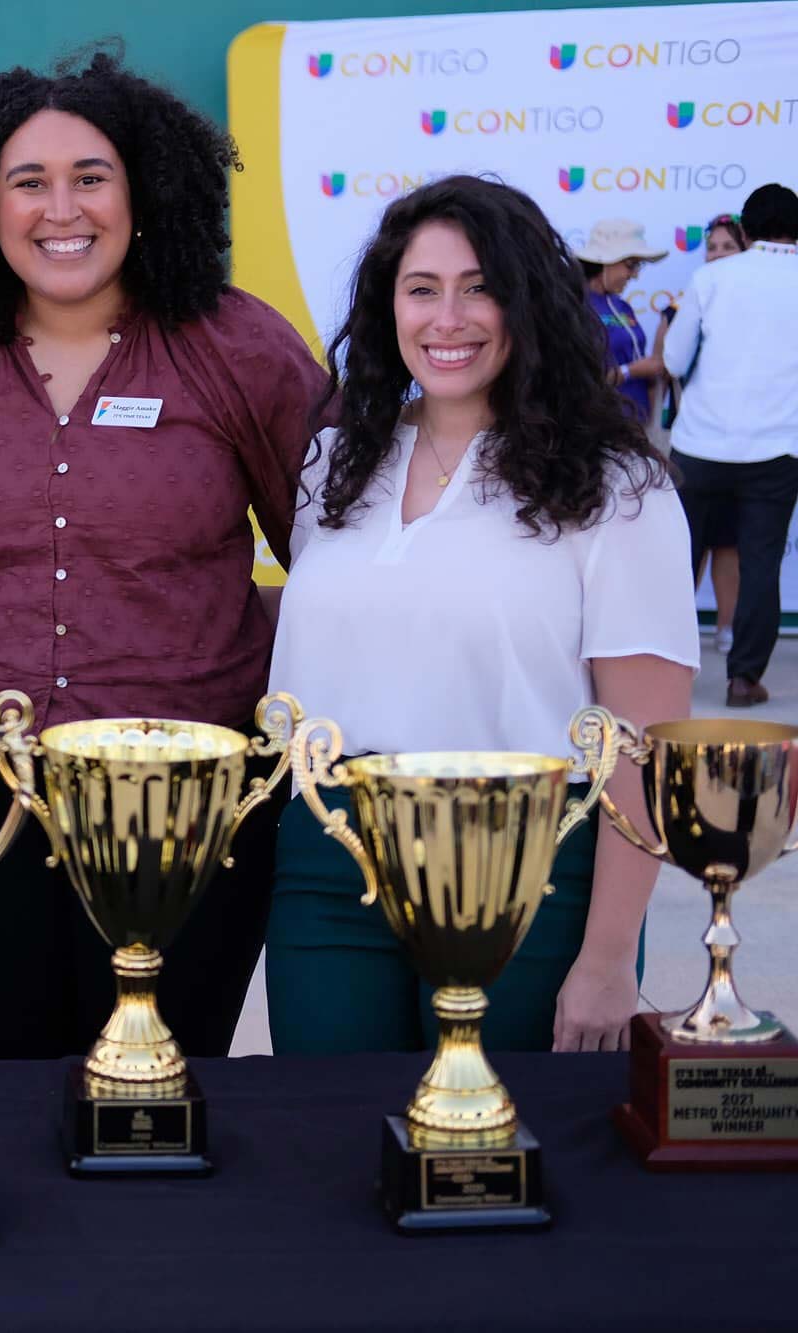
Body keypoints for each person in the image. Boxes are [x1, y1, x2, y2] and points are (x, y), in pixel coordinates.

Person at [0, 50, 326, 1060]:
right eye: (26, 181)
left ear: (143, 193)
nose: (59, 207)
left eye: (89, 176)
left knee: (154, 1094)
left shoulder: (237, 347)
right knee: (5, 1079)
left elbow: (331, 556)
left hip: (188, 798)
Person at [267, 175, 697, 1056]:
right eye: (421, 289)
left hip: (528, 861)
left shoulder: (618, 488)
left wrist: (610, 956)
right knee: (327, 1136)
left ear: (530, 303)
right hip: (329, 850)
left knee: (501, 1160)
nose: (447, 318)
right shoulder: (336, 460)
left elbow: (644, 738)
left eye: (481, 288)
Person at [662, 183, 798, 707]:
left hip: (700, 445)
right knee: (761, 564)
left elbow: (674, 362)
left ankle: (661, 669)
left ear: (744, 231)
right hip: (778, 449)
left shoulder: (712, 277)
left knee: (676, 559)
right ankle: (743, 679)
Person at [660, 212, 746, 653]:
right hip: (693, 441)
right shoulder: (680, 307)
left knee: (728, 545)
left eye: (727, 248)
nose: (716, 256)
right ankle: (679, 633)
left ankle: (727, 630)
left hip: (743, 445)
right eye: (711, 248)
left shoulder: (756, 312)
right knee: (686, 543)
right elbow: (668, 365)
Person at [576, 218, 668, 423]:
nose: (635, 275)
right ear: (605, 261)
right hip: (598, 427)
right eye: (631, 265)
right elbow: (575, 382)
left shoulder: (622, 305)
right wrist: (631, 371)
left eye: (638, 266)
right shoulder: (574, 307)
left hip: (635, 425)